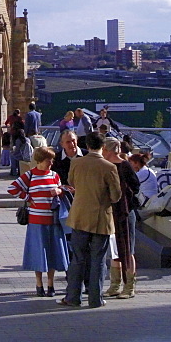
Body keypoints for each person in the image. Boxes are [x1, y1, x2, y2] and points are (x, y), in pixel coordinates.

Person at [57, 131, 122, 310]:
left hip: (79, 217)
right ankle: (95, 298)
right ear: (103, 147)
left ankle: (73, 297)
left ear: (87, 145)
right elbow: (116, 196)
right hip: (101, 218)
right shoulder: (109, 167)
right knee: (98, 260)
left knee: (78, 258)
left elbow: (72, 183)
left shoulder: (76, 163)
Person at [8, 146, 69, 297]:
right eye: (49, 159)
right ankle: (39, 284)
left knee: (52, 252)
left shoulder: (54, 175)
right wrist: (28, 198)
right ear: (41, 160)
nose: (51, 162)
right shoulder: (30, 175)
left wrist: (59, 191)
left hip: (53, 219)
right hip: (36, 220)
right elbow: (12, 188)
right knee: (38, 252)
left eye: (52, 159)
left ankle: (50, 284)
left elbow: (61, 189)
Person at [102, 137, 140, 299]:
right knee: (115, 248)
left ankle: (129, 285)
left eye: (104, 149)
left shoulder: (124, 166)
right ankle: (115, 284)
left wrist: (125, 198)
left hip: (124, 211)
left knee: (127, 248)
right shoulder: (107, 166)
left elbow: (135, 186)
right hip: (112, 212)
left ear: (108, 150)